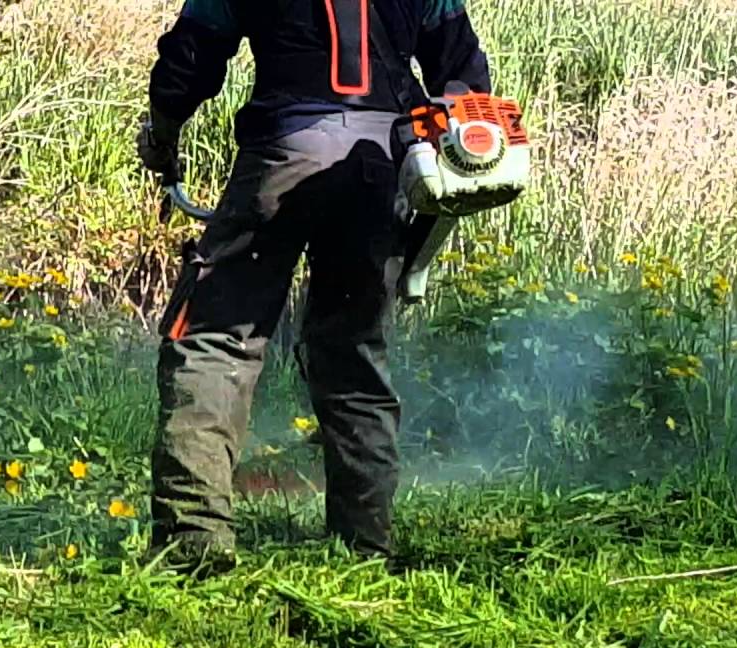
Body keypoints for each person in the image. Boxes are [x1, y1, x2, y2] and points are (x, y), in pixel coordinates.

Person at [137, 0, 492, 578]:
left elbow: (192, 55)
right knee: (352, 349)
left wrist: (163, 129)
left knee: (213, 337)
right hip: (382, 163)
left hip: (284, 151)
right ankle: (365, 544)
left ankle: (193, 541)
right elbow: (466, 79)